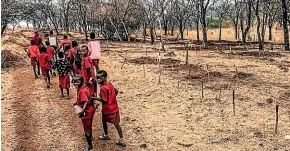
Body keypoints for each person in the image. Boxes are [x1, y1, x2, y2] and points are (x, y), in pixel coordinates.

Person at [93, 70, 126, 147]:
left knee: (105, 121)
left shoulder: (103, 88)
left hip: (107, 109)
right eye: (97, 78)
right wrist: (112, 98)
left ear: (104, 78)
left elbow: (104, 100)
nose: (97, 80)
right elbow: (116, 91)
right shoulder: (109, 84)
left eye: (99, 78)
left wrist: (94, 98)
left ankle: (106, 134)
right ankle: (121, 139)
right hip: (115, 107)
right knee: (116, 124)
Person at [72, 75, 96, 151]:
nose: (75, 83)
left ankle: (90, 147)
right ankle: (91, 137)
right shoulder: (84, 87)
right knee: (89, 125)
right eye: (74, 82)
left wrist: (82, 111)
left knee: (86, 130)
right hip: (91, 110)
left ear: (81, 82)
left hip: (87, 112)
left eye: (77, 82)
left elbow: (85, 101)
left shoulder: (82, 90)